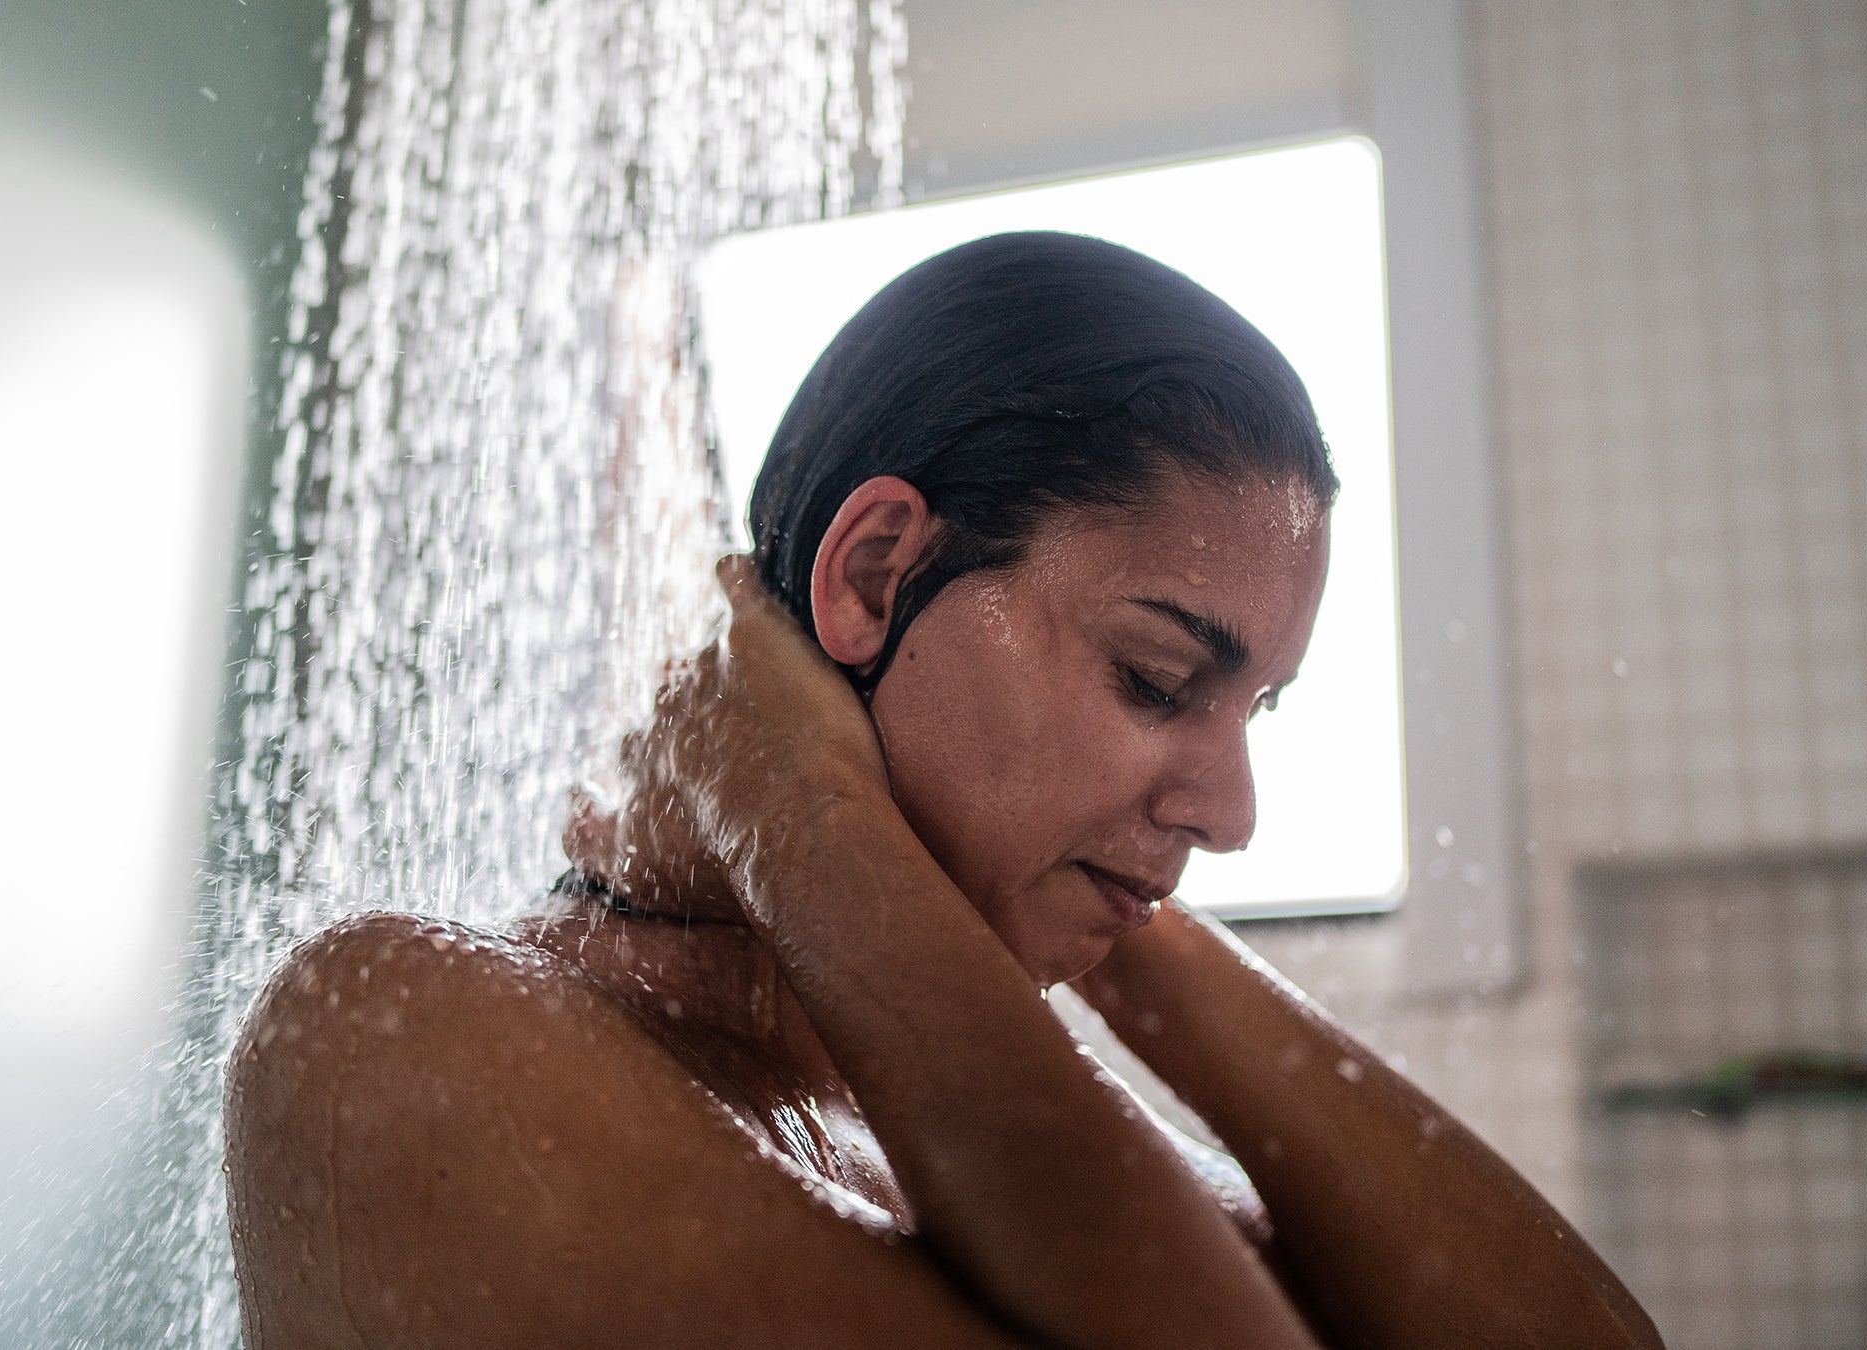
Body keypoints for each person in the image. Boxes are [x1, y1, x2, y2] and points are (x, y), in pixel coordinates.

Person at [223, 231, 1662, 1348]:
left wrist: (1130, 939)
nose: (1234, 810)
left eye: (1255, 711)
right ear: (875, 576)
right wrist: (803, 825)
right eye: (1161, 681)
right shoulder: (394, 1040)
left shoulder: (940, 1097)